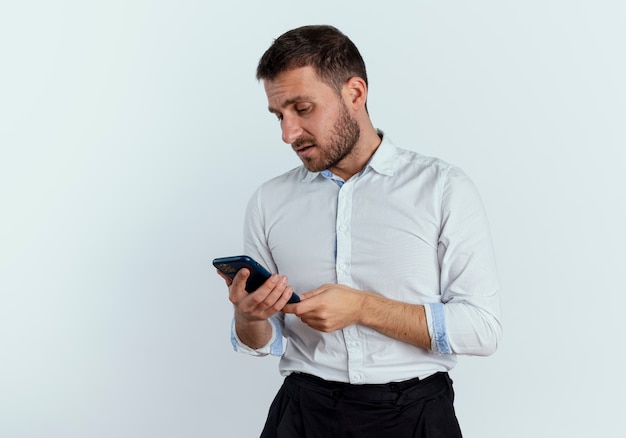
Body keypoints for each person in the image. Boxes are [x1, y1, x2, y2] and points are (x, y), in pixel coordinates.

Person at [218, 24, 502, 438]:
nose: (287, 133)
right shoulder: (268, 201)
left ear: (355, 93)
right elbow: (263, 340)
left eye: (302, 108)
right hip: (302, 415)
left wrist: (363, 308)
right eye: (279, 115)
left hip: (416, 417)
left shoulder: (442, 189)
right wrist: (249, 315)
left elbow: (482, 329)